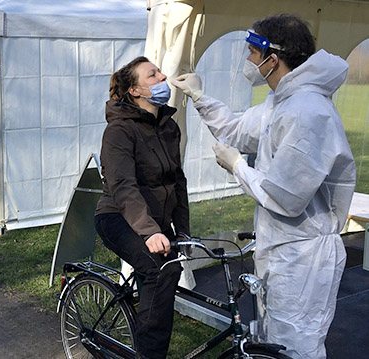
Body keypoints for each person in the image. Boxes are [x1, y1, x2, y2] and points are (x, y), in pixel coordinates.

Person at [171, 14, 356, 359]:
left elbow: (286, 197)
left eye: (252, 54)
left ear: (272, 58)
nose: (248, 62)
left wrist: (238, 165)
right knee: (274, 343)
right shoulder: (281, 102)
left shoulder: (308, 112)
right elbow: (236, 130)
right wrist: (198, 95)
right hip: (283, 249)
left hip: (303, 257)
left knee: (296, 348)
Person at [94, 56, 189, 359]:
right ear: (135, 91)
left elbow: (178, 182)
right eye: (153, 75)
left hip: (152, 222)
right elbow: (123, 186)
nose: (163, 77)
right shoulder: (119, 131)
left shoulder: (169, 128)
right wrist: (149, 231)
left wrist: (184, 231)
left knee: (170, 267)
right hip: (117, 216)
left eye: (160, 72)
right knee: (160, 270)